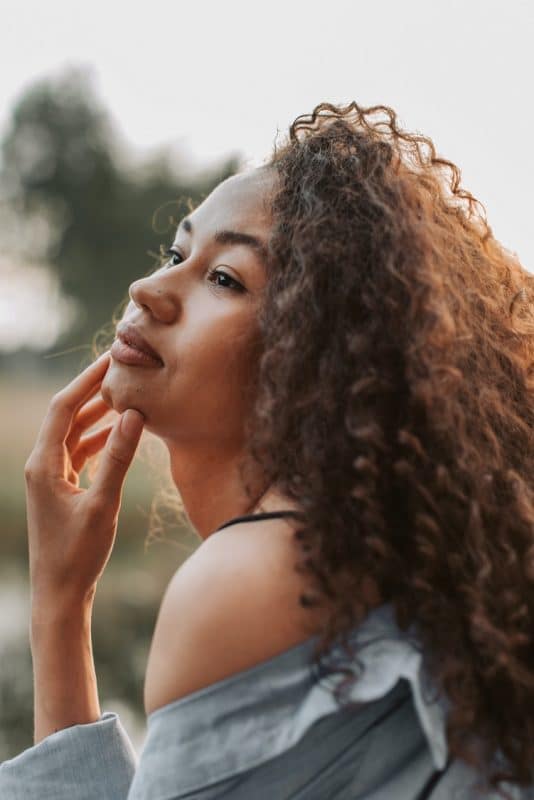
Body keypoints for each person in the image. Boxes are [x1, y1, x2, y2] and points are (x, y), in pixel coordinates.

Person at [1, 101, 533, 799]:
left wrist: (57, 608)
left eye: (224, 278)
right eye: (176, 255)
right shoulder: (379, 560)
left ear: (314, 355)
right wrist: (63, 601)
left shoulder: (255, 576)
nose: (148, 291)